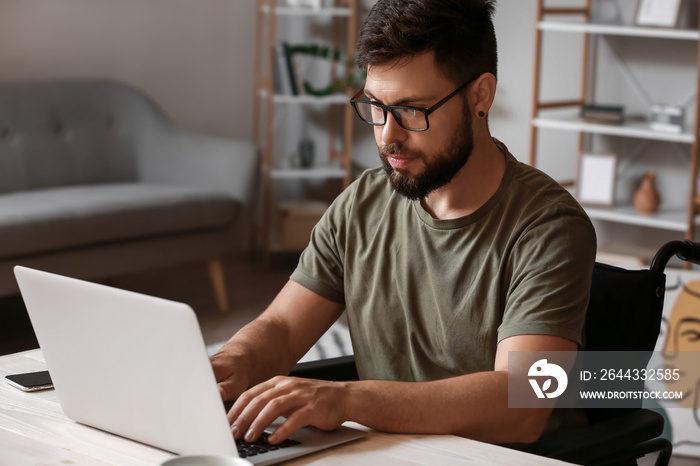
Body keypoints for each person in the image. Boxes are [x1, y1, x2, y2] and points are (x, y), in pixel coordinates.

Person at [211, 0, 596, 446]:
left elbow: (521, 402)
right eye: (375, 106)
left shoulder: (549, 227)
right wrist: (234, 359)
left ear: (480, 96)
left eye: (412, 110)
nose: (386, 135)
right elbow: (281, 328)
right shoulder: (361, 204)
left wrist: (347, 401)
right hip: (384, 450)